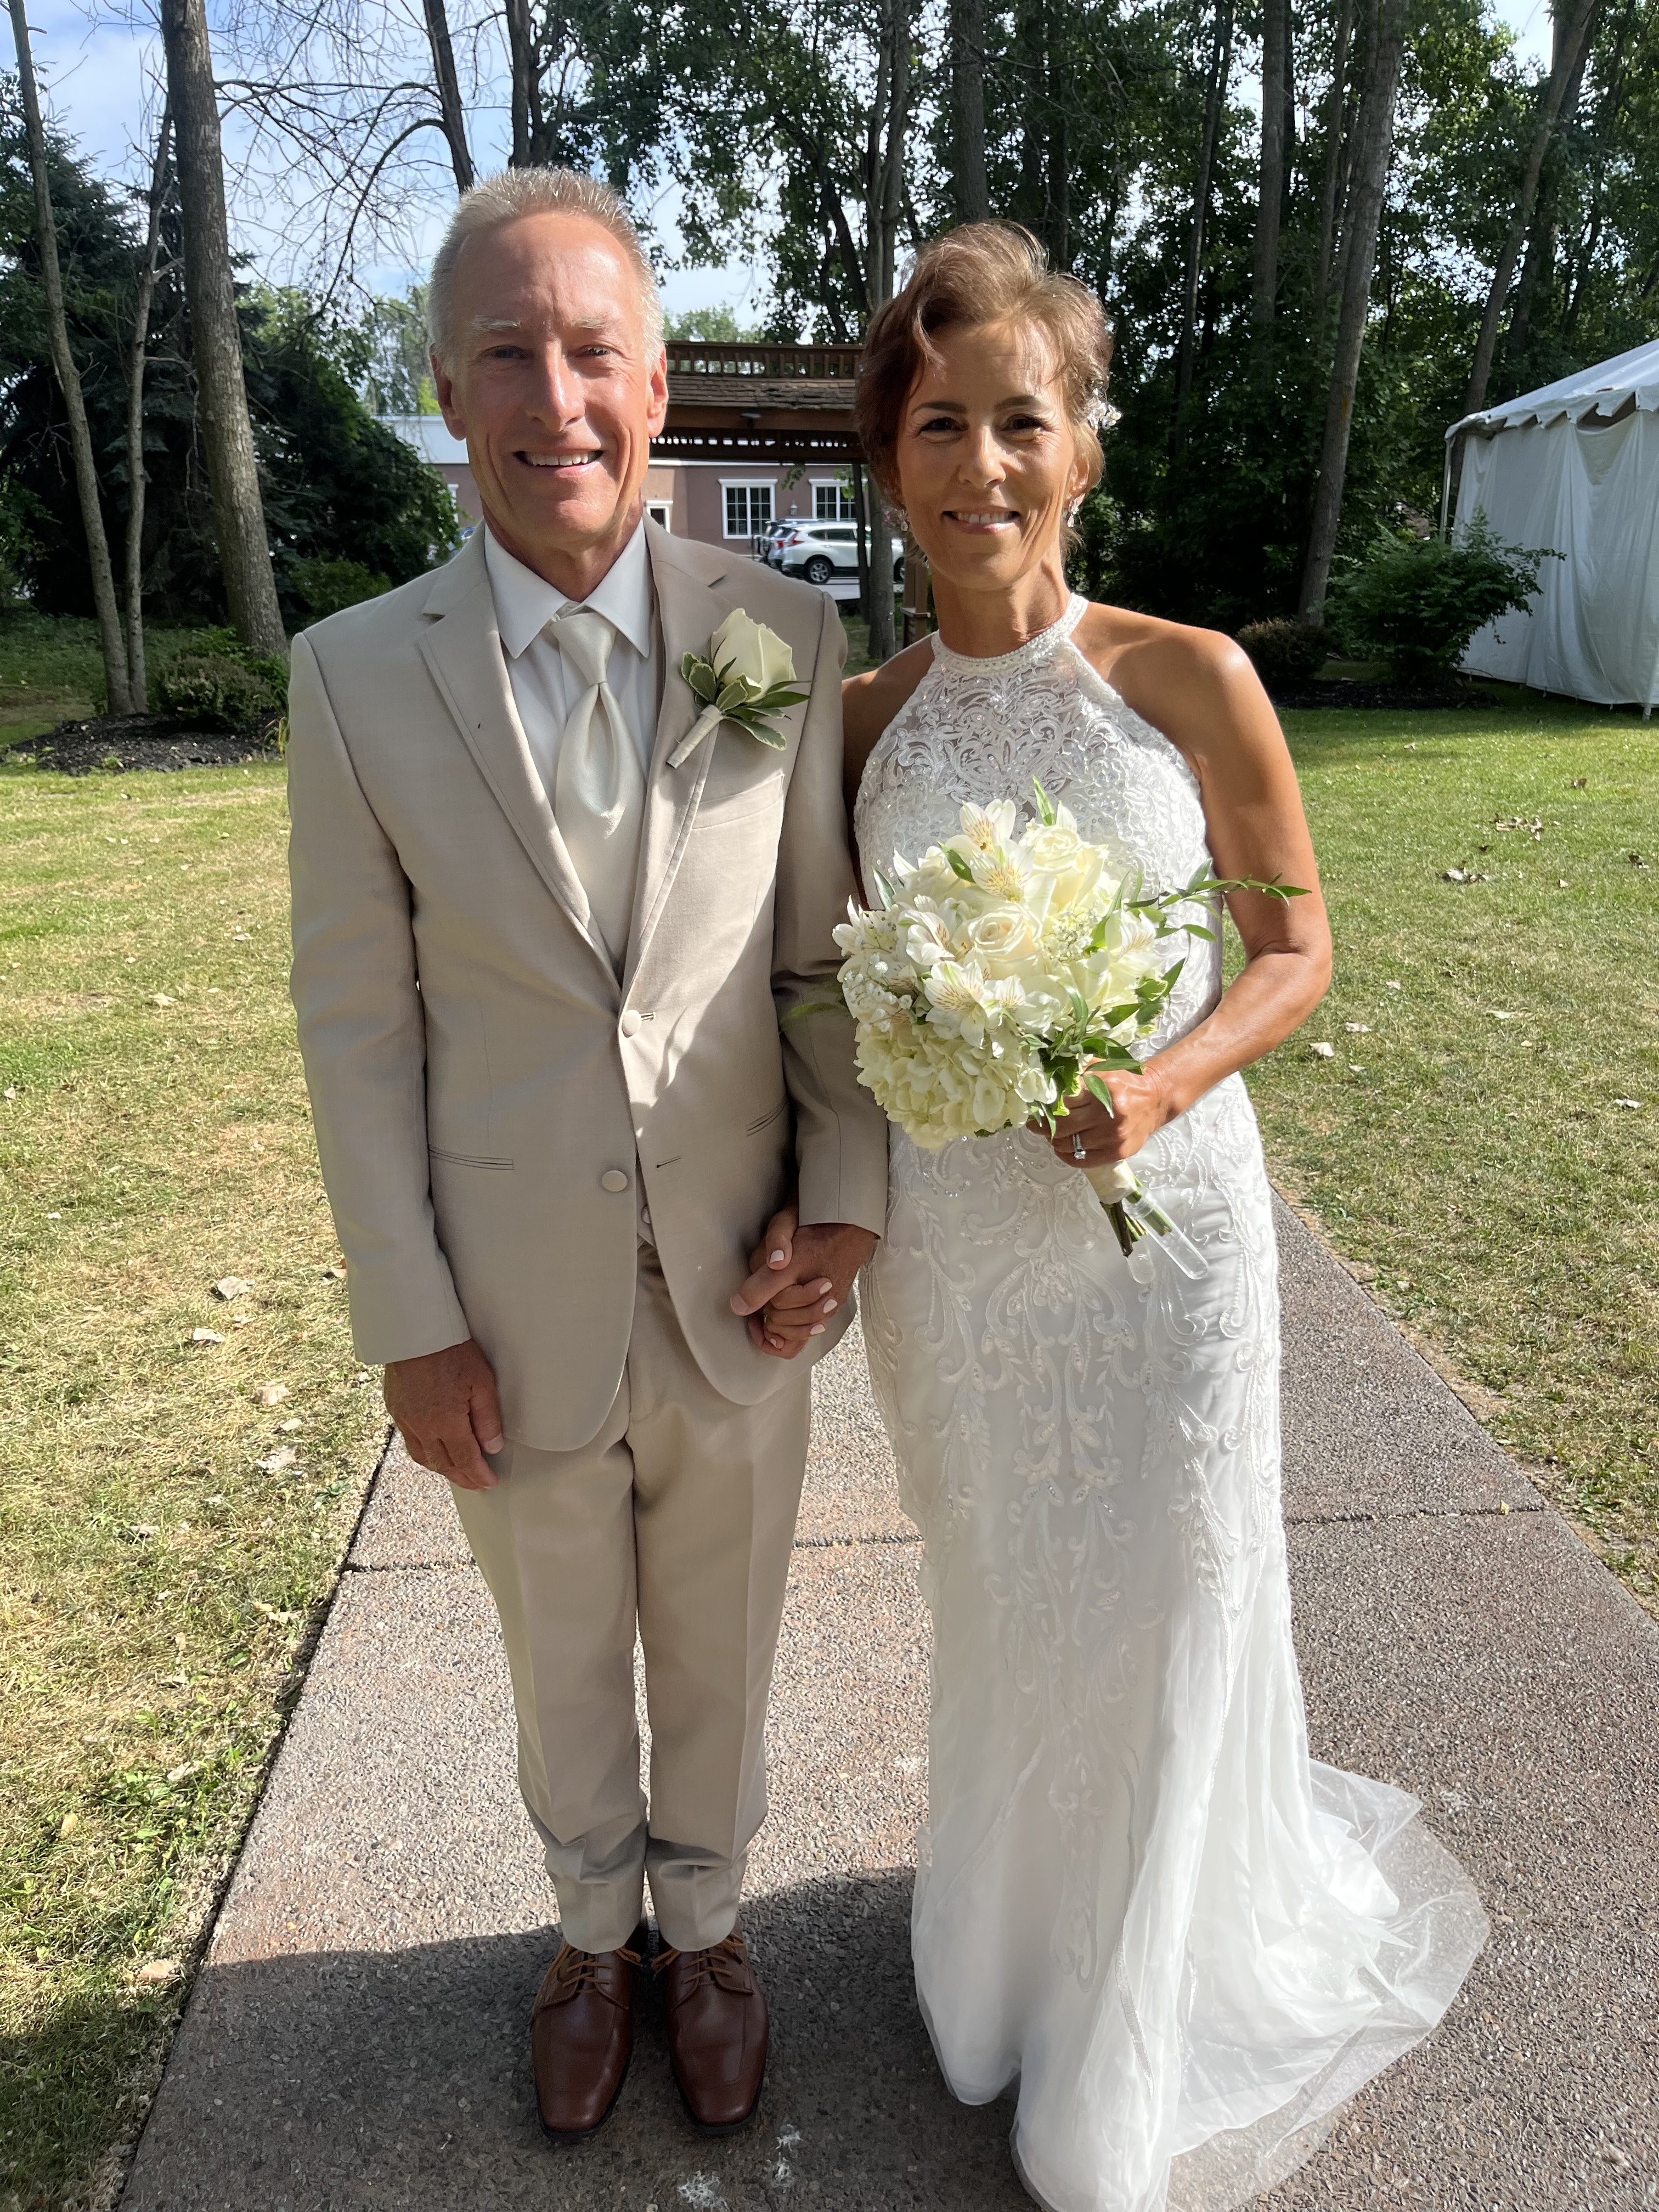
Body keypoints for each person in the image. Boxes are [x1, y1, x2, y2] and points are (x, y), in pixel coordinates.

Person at [834, 224, 1488, 2211]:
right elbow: (827, 994)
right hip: (963, 1261)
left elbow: (1293, 948)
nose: (981, 465)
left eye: (1019, 419)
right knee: (1005, 1593)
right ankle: (1013, 1959)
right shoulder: (860, 725)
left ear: (1083, 444)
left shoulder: (1187, 677)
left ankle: (1140, 2018)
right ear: (889, 459)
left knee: (1173, 1593)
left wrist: (1161, 1084)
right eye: (937, 425)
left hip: (1167, 1243)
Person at [285, 168, 886, 2145]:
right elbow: (360, 1024)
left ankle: (705, 1932)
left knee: (723, 1632)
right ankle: (588, 1931)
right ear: (446, 390)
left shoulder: (779, 635)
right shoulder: (356, 676)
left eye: (594, 351)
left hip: (737, 1275)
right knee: (559, 1640)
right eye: (507, 355)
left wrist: (846, 1203)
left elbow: (816, 966)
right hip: (510, 1295)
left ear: (655, 382)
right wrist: (408, 1314)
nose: (557, 397)